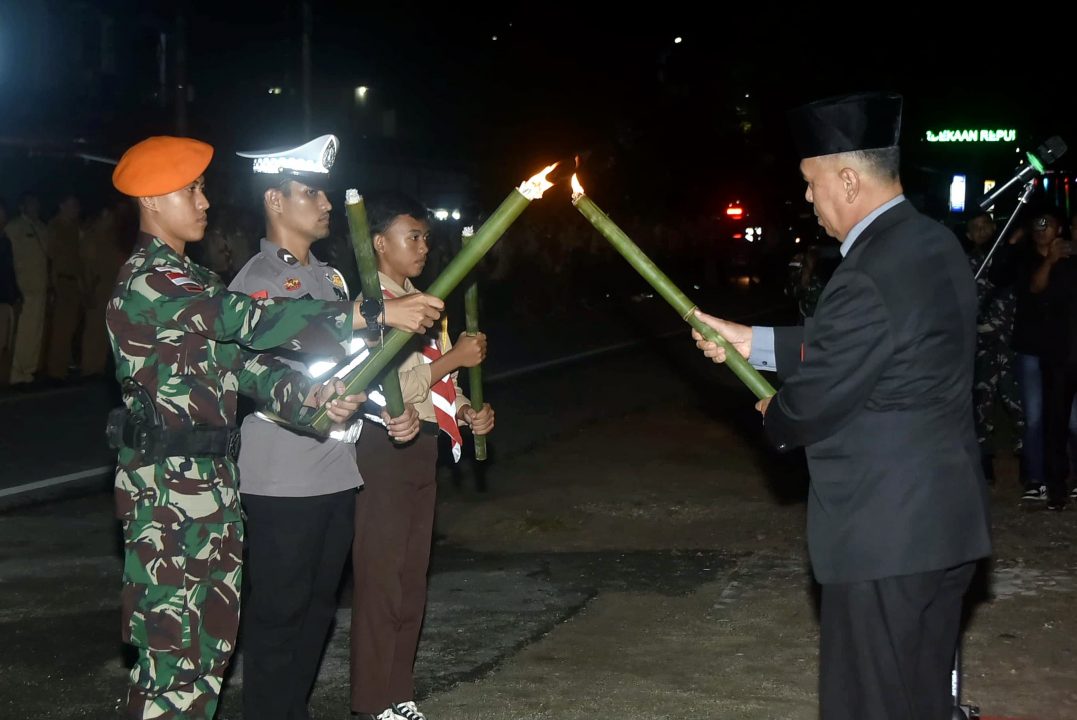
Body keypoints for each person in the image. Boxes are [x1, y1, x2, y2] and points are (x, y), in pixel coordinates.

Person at [106, 135, 441, 719]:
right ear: (155, 201)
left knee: (207, 658)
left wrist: (315, 400)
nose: (205, 202)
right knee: (173, 662)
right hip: (167, 500)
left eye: (203, 187)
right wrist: (370, 311)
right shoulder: (151, 282)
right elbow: (248, 320)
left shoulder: (189, 279)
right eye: (192, 189)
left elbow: (244, 368)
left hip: (208, 491)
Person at [692, 92, 990, 720]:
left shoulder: (867, 272)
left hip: (885, 538)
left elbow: (809, 406)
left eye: (810, 182)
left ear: (848, 179)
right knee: (923, 700)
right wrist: (755, 341)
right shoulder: (933, 244)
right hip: (944, 526)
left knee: (871, 705)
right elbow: (880, 343)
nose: (807, 198)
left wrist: (775, 410)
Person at [229, 134, 422, 720]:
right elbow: (249, 371)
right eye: (308, 191)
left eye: (324, 192)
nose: (325, 202)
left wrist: (383, 408)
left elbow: (348, 370)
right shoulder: (255, 281)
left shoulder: (335, 282)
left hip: (338, 470)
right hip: (282, 477)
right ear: (275, 202)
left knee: (317, 612)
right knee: (278, 616)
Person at [350, 192, 494, 720]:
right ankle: (370, 701)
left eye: (427, 238)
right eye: (413, 237)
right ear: (379, 243)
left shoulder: (425, 302)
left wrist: (469, 410)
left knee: (413, 576)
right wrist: (453, 357)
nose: (424, 247)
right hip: (384, 447)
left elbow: (442, 384)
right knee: (381, 576)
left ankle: (398, 691)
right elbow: (389, 384)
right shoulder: (371, 307)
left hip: (423, 447)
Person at [964, 210, 1023, 482]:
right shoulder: (964, 263)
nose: (982, 232)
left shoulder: (1008, 255)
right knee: (982, 401)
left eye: (986, 226)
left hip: (1009, 339)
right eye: (975, 228)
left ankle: (1026, 455)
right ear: (968, 234)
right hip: (981, 342)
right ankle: (984, 459)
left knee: (1016, 398)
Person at [6, 192, 49, 384]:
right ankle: (16, 375)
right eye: (31, 204)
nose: (35, 207)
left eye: (37, 204)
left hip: (40, 288)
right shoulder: (14, 227)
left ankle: (28, 373)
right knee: (22, 333)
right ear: (23, 206)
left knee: (35, 333)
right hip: (24, 289)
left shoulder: (41, 227)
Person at [45, 193, 85, 380]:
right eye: (72, 204)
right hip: (60, 281)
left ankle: (63, 367)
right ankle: (55, 372)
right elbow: (49, 257)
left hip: (73, 283)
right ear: (62, 205)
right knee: (60, 328)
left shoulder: (75, 228)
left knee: (70, 328)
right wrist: (51, 285)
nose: (75, 209)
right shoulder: (54, 227)